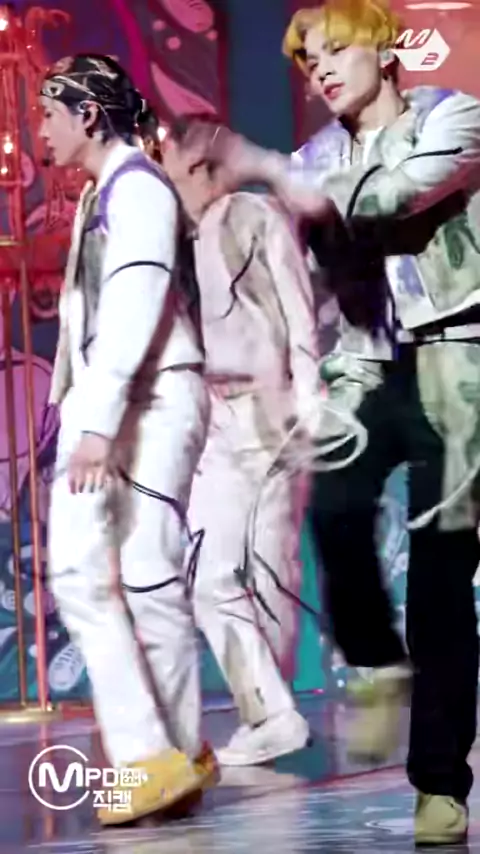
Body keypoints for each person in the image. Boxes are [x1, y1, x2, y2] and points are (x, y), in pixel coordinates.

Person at [189, 0, 480, 844]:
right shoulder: (315, 156)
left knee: (439, 580)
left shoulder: (453, 116)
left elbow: (393, 195)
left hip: (461, 361)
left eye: (333, 50)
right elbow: (332, 274)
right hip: (372, 362)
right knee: (335, 507)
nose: (317, 69)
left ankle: (438, 785)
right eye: (307, 59)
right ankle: (378, 663)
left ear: (384, 51)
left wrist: (270, 170)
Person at [40, 54, 217, 826]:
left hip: (144, 397)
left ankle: (147, 757)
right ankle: (174, 755)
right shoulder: (109, 192)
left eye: (49, 113)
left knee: (82, 571)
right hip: (137, 397)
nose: (39, 130)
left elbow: (136, 301)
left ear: (87, 113)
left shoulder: (135, 189)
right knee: (145, 580)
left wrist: (98, 422)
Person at [159, 114, 320, 766]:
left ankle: (275, 713)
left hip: (269, 413)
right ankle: (270, 713)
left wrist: (307, 398)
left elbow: (298, 311)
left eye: (172, 157)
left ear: (197, 160)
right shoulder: (172, 238)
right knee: (210, 577)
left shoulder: (254, 216)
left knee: (270, 569)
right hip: (211, 419)